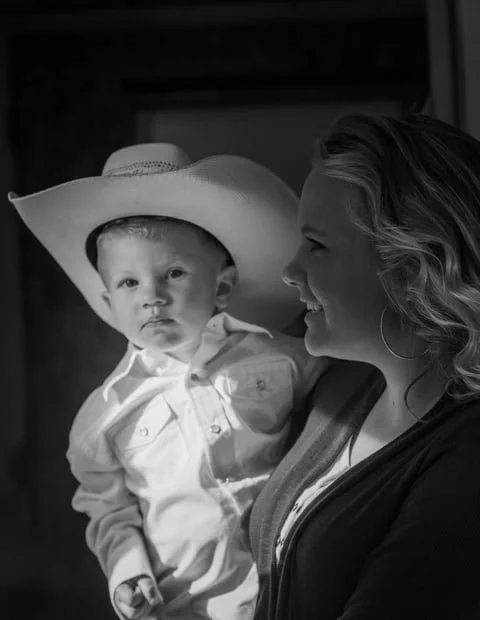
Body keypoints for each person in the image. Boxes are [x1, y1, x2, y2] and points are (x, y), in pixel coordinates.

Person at [9, 143, 326, 620]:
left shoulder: (280, 357)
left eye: (173, 274)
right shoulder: (104, 417)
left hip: (289, 591)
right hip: (184, 605)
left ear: (221, 286)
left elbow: (345, 408)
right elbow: (108, 509)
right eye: (129, 284)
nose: (152, 298)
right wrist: (126, 571)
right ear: (109, 300)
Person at [249, 112, 480, 620]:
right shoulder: (343, 386)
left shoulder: (465, 461)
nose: (290, 272)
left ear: (412, 265)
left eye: (317, 246)